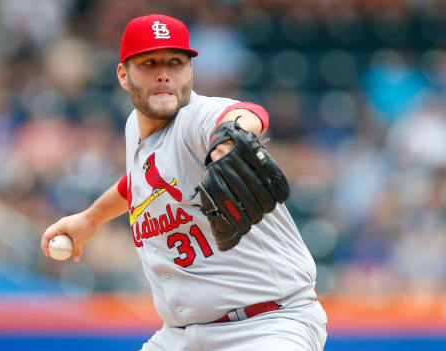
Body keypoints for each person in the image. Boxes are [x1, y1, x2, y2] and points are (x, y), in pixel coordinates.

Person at [41, 14, 327, 351]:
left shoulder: (196, 119)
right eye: (149, 63)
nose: (164, 74)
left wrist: (228, 139)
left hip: (267, 326)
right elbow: (138, 183)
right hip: (179, 336)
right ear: (123, 74)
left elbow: (248, 114)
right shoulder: (137, 126)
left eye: (175, 62)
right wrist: (90, 219)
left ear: (190, 71)